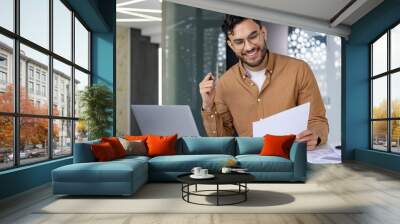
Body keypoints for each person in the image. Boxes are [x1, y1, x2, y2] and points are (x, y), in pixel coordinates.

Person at [199, 15, 329, 150]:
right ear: (231, 45)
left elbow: (316, 120)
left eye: (253, 36)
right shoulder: (224, 84)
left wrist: (315, 136)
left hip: (292, 160)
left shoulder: (299, 69)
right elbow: (224, 141)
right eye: (239, 42)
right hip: (251, 164)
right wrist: (208, 106)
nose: (249, 47)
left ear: (264, 33)